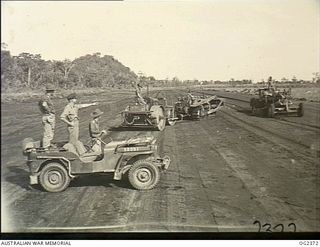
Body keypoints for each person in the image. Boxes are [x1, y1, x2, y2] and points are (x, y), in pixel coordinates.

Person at [38, 84, 56, 149]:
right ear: (50, 91)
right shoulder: (45, 98)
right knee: (48, 132)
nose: (53, 93)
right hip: (48, 116)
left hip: (47, 116)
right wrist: (49, 112)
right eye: (53, 91)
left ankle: (48, 144)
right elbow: (44, 105)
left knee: (50, 131)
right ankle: (45, 147)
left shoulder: (45, 97)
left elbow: (40, 106)